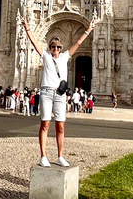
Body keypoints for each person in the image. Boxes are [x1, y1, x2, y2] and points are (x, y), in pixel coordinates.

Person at [21, 14, 96, 167]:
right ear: (50, 48)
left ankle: (60, 156)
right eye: (53, 47)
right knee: (45, 124)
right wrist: (27, 27)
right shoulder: (46, 56)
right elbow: (35, 42)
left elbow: (78, 43)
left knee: (60, 126)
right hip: (47, 93)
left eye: (58, 47)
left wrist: (89, 29)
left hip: (60, 94)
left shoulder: (64, 57)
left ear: (61, 48)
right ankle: (43, 156)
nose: (56, 49)